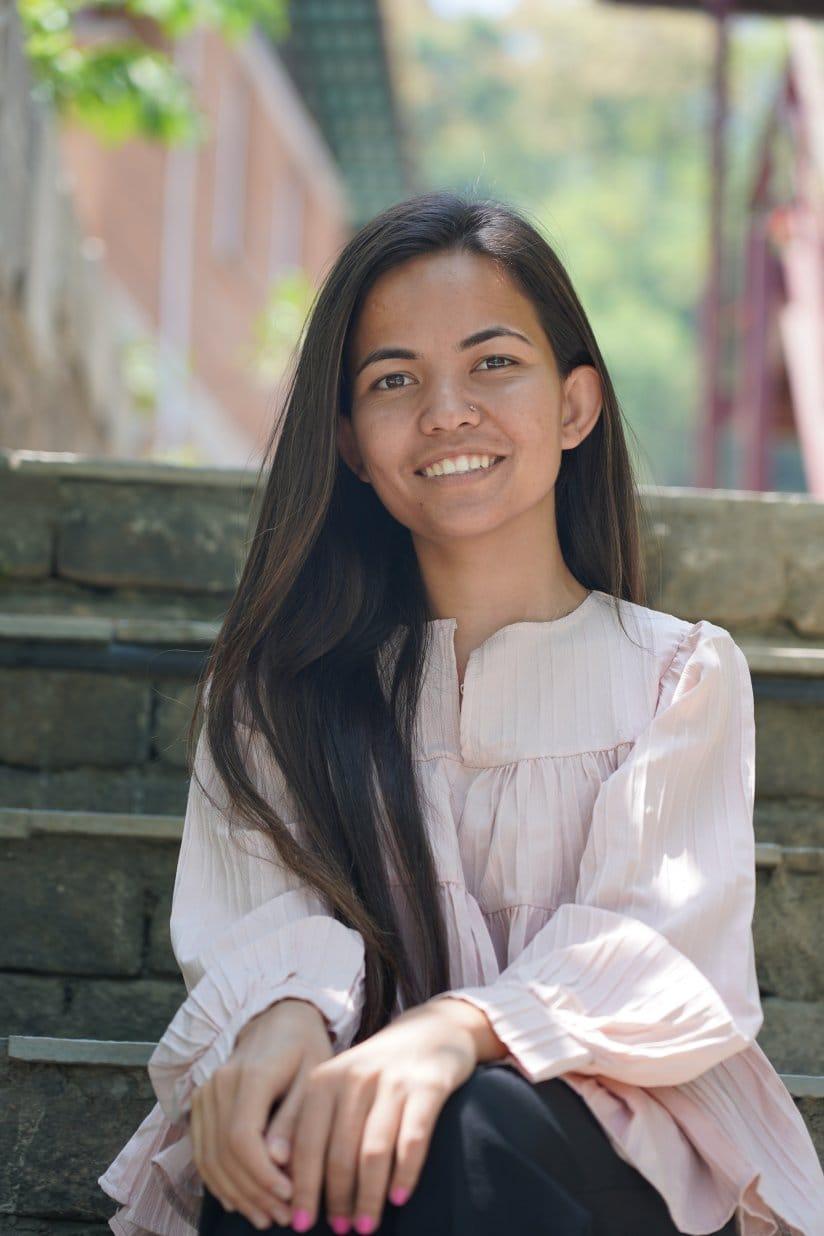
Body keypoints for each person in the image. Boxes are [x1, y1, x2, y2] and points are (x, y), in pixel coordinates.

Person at [98, 191, 823, 1236]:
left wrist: (454, 1029)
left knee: (470, 1121)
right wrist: (280, 1019)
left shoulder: (676, 677)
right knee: (280, 1139)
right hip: (361, 1165)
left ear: (574, 407)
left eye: (492, 364)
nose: (446, 411)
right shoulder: (275, 695)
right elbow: (257, 925)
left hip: (610, 1155)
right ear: (349, 443)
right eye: (395, 380)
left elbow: (655, 949)